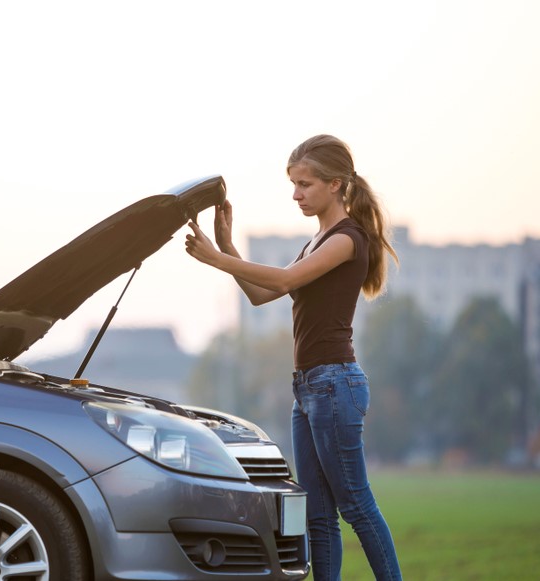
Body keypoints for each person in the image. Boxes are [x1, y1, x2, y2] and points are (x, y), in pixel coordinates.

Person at [184, 134, 402, 580]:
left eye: (305, 184)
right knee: (317, 518)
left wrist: (216, 261)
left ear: (336, 184)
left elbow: (283, 281)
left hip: (335, 385)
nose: (296, 194)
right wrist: (227, 248)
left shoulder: (347, 239)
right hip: (307, 390)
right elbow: (264, 295)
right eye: (293, 184)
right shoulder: (319, 240)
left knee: (356, 507)